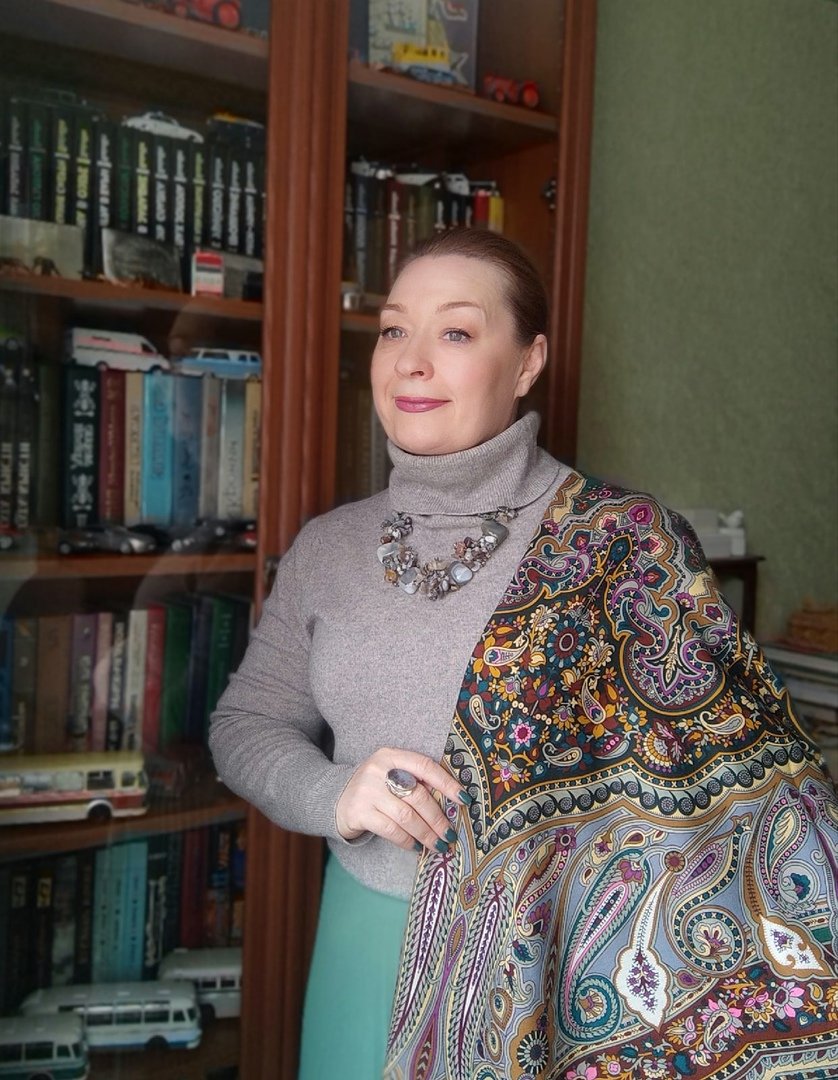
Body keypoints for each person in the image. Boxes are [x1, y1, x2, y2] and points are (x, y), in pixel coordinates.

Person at [209, 228, 838, 1079]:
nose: (411, 362)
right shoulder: (328, 548)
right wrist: (335, 793)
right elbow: (246, 722)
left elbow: (746, 801)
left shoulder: (627, 543)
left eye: (456, 331)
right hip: (361, 936)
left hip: (554, 968)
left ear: (527, 362)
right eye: (394, 330)